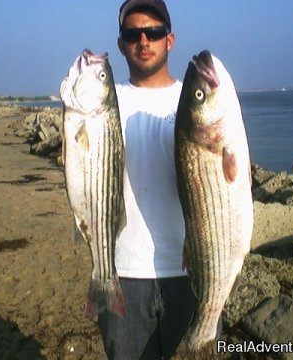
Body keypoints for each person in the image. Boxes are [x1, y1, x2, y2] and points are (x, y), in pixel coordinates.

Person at [97, 1, 197, 359]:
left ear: (169, 40)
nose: (144, 40)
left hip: (192, 270)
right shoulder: (105, 103)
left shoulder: (194, 101)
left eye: (153, 32)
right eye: (132, 34)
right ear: (122, 43)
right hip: (119, 271)